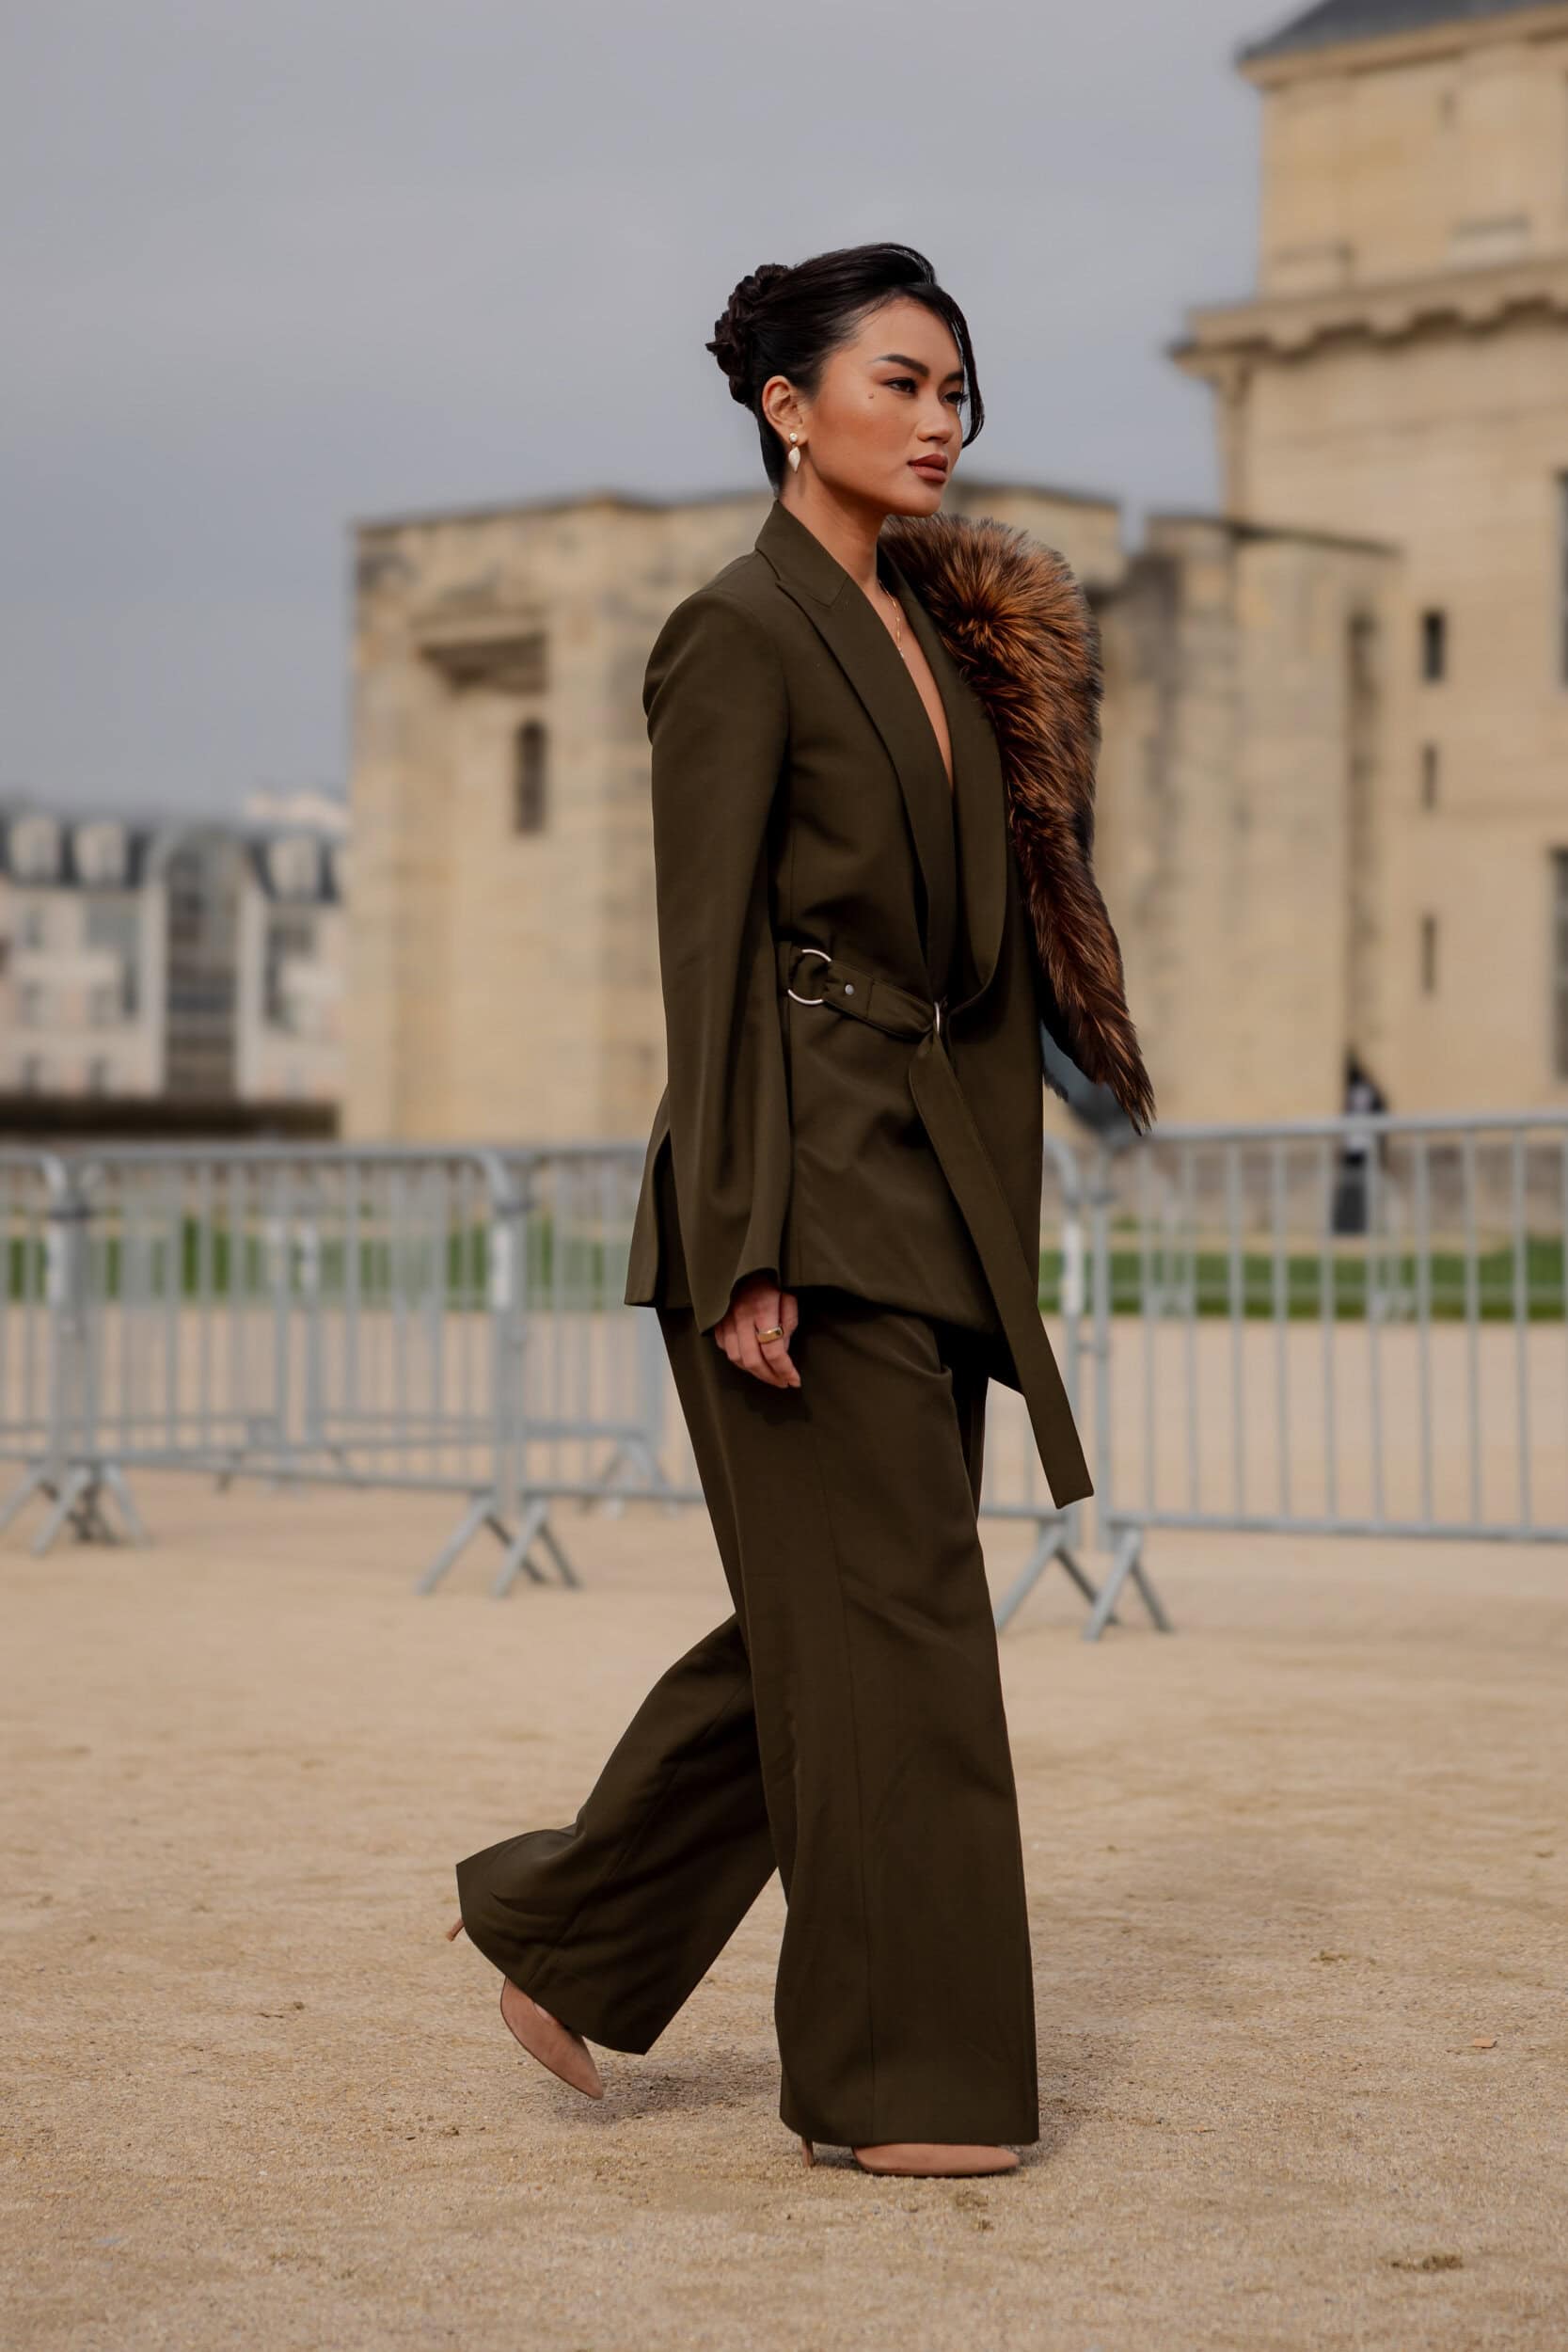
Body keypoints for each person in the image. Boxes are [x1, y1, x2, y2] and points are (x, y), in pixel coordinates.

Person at [448, 243, 1153, 2179]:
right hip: (797, 1191)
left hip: (933, 1193)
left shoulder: (956, 643)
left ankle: (574, 1930)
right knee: (901, 1617)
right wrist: (744, 1236)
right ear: (786, 405)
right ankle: (902, 2079)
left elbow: (987, 955)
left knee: (835, 1610)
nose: (941, 421)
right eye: (901, 382)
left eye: (957, 391)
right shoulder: (734, 632)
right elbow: (713, 960)